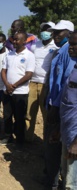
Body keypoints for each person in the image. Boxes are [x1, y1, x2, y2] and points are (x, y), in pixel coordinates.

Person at [44, 20, 75, 189]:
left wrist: (55, 107)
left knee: (55, 150)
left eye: (59, 32)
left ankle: (52, 184)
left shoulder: (68, 53)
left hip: (61, 110)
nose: (55, 35)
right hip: (56, 105)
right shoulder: (60, 51)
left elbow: (65, 84)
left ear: (68, 34)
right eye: (54, 33)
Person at [0, 31, 35, 151]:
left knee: (19, 118)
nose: (15, 41)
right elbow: (3, 71)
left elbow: (28, 74)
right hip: (7, 91)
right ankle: (8, 137)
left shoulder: (29, 55)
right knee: (7, 115)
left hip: (20, 92)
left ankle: (19, 141)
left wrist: (14, 86)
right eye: (14, 39)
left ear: (24, 41)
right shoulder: (9, 55)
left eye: (18, 39)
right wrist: (7, 85)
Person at [25, 22, 59, 142]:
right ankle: (27, 139)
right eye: (43, 30)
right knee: (29, 114)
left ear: (52, 32)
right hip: (33, 83)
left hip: (47, 84)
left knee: (46, 115)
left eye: (48, 30)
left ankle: (46, 144)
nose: (45, 32)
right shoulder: (35, 45)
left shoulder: (56, 46)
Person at [60, 31, 77, 189]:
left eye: (74, 45)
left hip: (75, 138)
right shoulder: (74, 67)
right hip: (67, 132)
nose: (70, 48)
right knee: (65, 176)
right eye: (70, 44)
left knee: (72, 184)